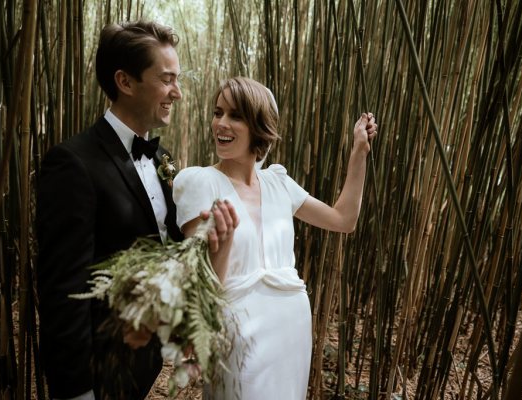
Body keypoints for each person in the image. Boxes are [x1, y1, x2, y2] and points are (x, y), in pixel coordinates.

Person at [36, 21, 237, 400]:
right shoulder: (73, 163)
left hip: (141, 366)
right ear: (125, 82)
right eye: (167, 79)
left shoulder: (162, 159)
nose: (177, 92)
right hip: (97, 371)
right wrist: (77, 392)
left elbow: (168, 253)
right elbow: (62, 293)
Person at [172, 77, 378, 399]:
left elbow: (343, 219)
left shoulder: (279, 182)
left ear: (260, 128)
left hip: (291, 330)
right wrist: (221, 245)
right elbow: (199, 291)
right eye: (217, 112)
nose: (221, 124)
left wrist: (359, 154)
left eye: (236, 116)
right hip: (237, 335)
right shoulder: (199, 182)